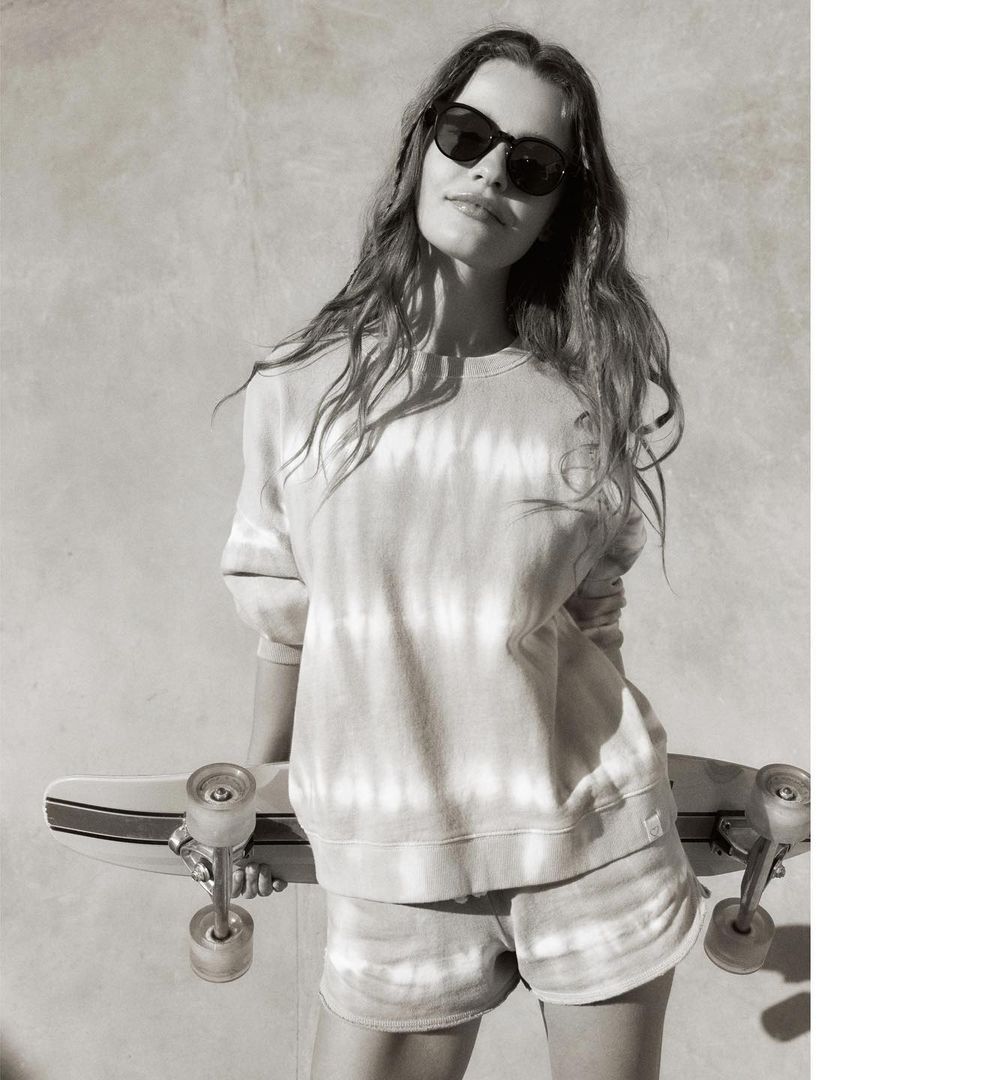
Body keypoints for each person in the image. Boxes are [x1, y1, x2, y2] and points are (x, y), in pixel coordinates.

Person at [219, 25, 705, 1080]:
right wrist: (256, 786)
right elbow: (287, 612)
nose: (490, 174)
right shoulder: (295, 389)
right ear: (421, 148)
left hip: (594, 845)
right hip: (396, 861)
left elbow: (593, 624)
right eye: (468, 136)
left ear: (558, 207)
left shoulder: (581, 408)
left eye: (531, 166)